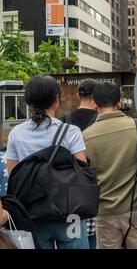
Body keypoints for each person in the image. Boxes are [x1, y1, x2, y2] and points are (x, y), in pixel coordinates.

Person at [5, 75, 89, 249]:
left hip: (33, 213)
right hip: (68, 212)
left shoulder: (16, 133)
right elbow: (81, 171)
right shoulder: (71, 131)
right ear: (56, 100)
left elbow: (13, 175)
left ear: (28, 101)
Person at [82, 82, 137, 249]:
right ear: (120, 101)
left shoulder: (85, 136)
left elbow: (84, 174)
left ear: (94, 103)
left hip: (105, 212)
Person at [60, 78, 98, 249]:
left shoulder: (65, 119)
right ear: (96, 96)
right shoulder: (101, 119)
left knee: (76, 237)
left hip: (72, 187)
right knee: (96, 238)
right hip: (98, 182)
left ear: (77, 94)